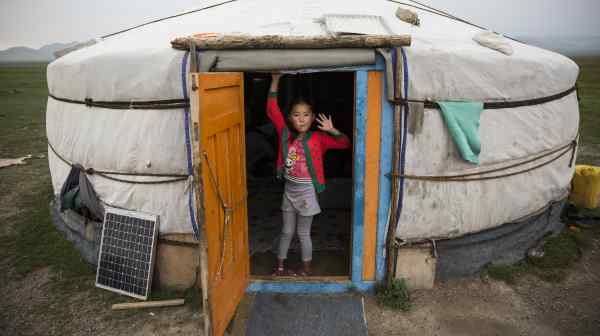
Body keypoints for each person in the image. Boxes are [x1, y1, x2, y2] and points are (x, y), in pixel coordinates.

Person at [267, 73, 351, 276]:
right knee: (286, 231)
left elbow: (345, 143)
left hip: (307, 193)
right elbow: (272, 110)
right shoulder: (285, 134)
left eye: (306, 114)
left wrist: (333, 130)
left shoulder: (319, 138)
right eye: (296, 114)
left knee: (303, 233)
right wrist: (275, 80)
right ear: (290, 118)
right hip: (289, 191)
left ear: (313, 118)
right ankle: (280, 267)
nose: (301, 119)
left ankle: (306, 269)